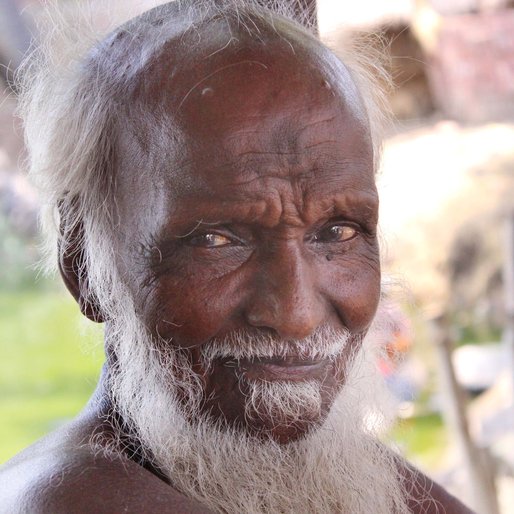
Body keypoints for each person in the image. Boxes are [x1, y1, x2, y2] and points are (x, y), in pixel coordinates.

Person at [0, 1, 474, 512]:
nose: (296, 315)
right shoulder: (78, 499)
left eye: (337, 232)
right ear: (83, 264)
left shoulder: (342, 479)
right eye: (217, 241)